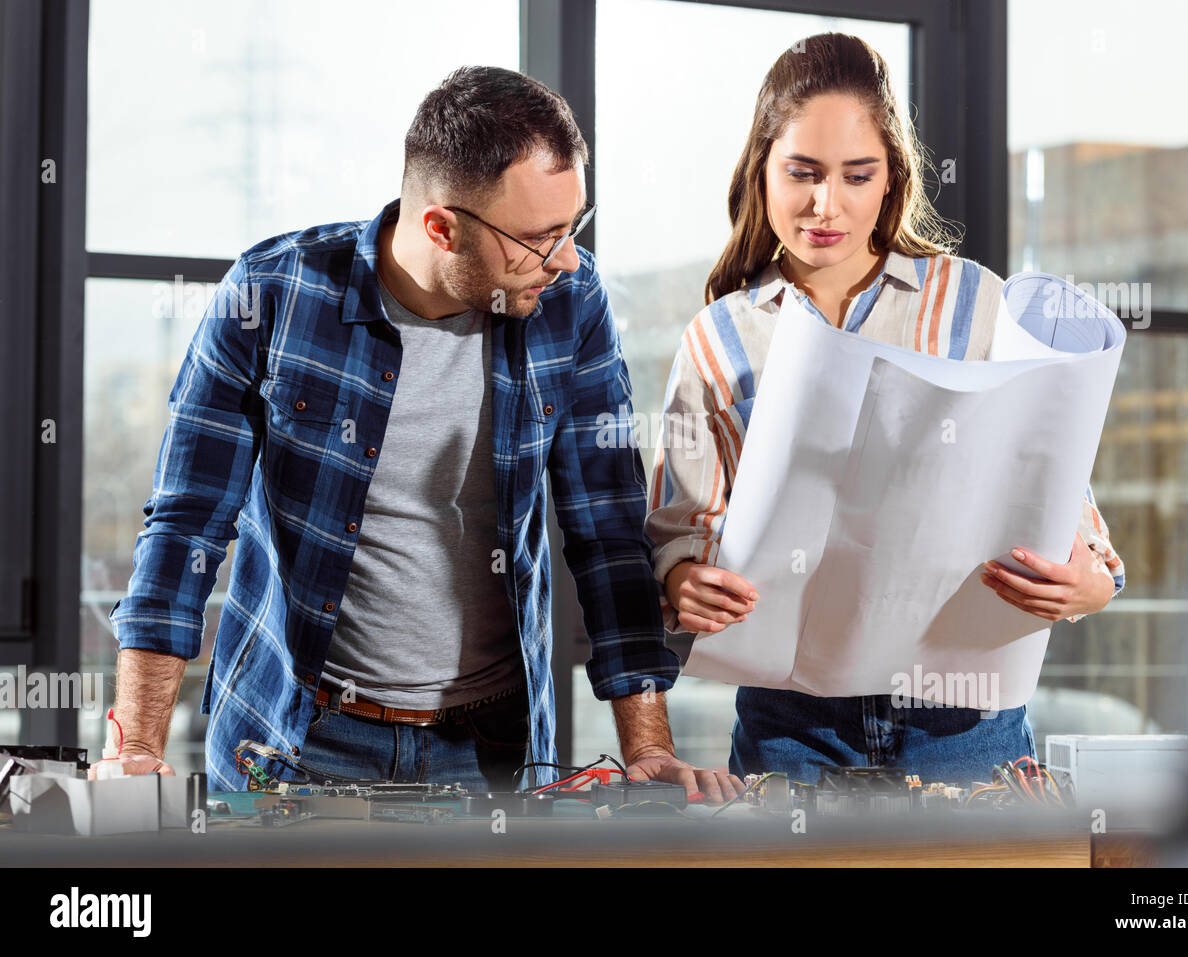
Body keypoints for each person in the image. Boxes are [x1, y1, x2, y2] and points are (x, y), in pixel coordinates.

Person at [102, 65, 743, 801]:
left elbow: (607, 530)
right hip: (295, 742)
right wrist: (139, 752)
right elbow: (185, 526)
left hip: (489, 751)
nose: (565, 259)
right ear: (441, 226)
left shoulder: (571, 300)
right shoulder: (272, 295)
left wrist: (648, 745)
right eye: (539, 239)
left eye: (575, 228)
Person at [645, 34, 1126, 788]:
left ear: (890, 178)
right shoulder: (719, 336)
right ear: (761, 169)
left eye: (856, 175)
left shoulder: (975, 302)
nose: (824, 204)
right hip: (793, 724)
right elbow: (679, 533)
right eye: (800, 172)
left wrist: (1094, 580)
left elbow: (1062, 497)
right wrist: (682, 582)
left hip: (964, 720)